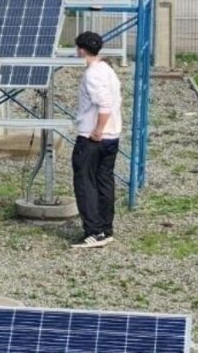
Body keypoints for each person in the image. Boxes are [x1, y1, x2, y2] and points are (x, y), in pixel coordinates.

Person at [70, 31, 122, 249]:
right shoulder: (107, 69)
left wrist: (98, 130)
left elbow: (104, 104)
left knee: (85, 183)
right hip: (113, 137)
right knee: (104, 181)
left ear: (81, 50)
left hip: (94, 138)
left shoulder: (92, 75)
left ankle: (94, 231)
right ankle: (105, 228)